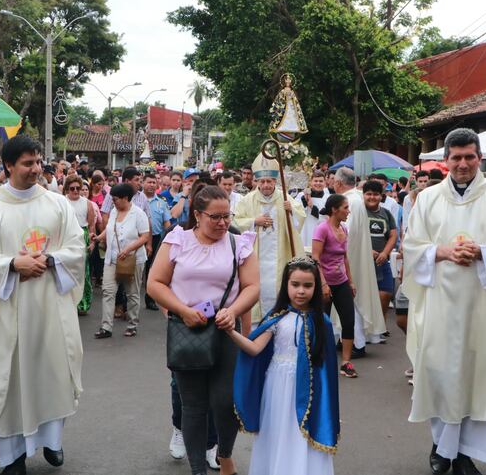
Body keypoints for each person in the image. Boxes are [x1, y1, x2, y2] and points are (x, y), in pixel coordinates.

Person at [402, 128, 486, 475]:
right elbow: (412, 247)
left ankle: (464, 454)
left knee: (477, 376)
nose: (462, 164)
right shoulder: (427, 199)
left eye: (469, 157)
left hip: (483, 308)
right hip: (439, 305)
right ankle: (442, 449)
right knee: (440, 374)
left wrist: (482, 253)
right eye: (456, 158)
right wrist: (442, 251)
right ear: (445, 161)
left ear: (479, 158)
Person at [0, 135, 85, 475]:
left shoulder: (57, 204)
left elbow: (76, 249)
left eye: (38, 162)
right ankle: (12, 458)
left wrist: (47, 260)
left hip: (50, 309)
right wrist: (11, 265)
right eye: (27, 163)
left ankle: (52, 442)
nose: (36, 169)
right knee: (10, 381)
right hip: (7, 312)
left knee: (52, 376)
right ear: (8, 166)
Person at [147, 185, 259, 475]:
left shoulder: (239, 244)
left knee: (225, 401)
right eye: (215, 217)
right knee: (193, 406)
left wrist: (233, 311)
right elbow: (155, 283)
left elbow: (252, 287)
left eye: (226, 216)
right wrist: (183, 311)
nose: (223, 223)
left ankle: (224, 455)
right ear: (197, 215)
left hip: (225, 331)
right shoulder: (177, 240)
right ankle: (197, 469)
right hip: (188, 332)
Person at [231, 257, 339, 475]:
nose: (301, 291)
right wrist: (229, 331)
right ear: (286, 286)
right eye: (295, 284)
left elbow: (326, 373)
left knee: (300, 436)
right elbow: (253, 349)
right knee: (278, 431)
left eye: (308, 286)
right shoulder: (276, 318)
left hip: (308, 390)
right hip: (277, 386)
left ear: (316, 287)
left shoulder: (323, 323)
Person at [234, 153, 305, 332]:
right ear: (257, 181)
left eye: (269, 181)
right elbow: (233, 223)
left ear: (275, 181)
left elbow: (299, 222)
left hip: (279, 259)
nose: (266, 185)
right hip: (255, 259)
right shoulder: (247, 200)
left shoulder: (286, 199)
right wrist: (253, 221)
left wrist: (291, 212)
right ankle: (256, 333)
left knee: (278, 293)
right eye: (262, 181)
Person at [332, 167, 387, 352]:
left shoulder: (350, 201)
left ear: (338, 183)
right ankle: (347, 338)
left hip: (350, 257)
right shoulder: (356, 198)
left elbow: (346, 231)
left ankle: (355, 342)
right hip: (355, 255)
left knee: (351, 300)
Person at [95, 183, 151, 339]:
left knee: (132, 293)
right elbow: (109, 229)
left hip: (133, 260)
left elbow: (145, 236)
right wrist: (99, 237)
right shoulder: (114, 211)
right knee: (108, 292)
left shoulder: (138, 214)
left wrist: (128, 249)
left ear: (125, 198)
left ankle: (133, 324)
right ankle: (106, 326)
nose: (113, 202)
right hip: (112, 259)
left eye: (115, 199)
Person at [311, 193, 358, 378]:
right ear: (334, 209)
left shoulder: (344, 229)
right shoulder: (322, 229)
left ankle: (346, 362)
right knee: (321, 323)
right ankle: (318, 360)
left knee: (349, 321)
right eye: (345, 207)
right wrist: (322, 284)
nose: (348, 211)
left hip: (342, 282)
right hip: (324, 283)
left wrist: (351, 281)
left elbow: (344, 257)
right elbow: (315, 258)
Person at [363, 180, 398, 326]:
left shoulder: (386, 213)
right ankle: (367, 327)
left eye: (376, 194)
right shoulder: (358, 211)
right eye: (368, 194)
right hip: (363, 261)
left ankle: (380, 327)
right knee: (364, 296)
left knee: (386, 293)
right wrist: (366, 250)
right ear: (363, 195)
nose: (372, 197)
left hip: (382, 260)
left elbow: (393, 235)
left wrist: (385, 252)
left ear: (381, 196)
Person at [62, 175, 96, 315]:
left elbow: (92, 225)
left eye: (78, 188)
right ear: (67, 189)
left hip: (83, 236)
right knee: (66, 271)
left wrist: (92, 242)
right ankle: (67, 303)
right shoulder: (62, 202)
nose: (76, 191)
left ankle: (83, 303)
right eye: (72, 188)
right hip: (67, 237)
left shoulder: (87, 203)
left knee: (83, 272)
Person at [143, 173, 170, 311]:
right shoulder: (136, 200)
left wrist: (169, 238)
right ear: (143, 183)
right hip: (138, 238)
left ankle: (150, 299)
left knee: (151, 270)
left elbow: (167, 223)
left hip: (155, 238)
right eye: (149, 182)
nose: (151, 185)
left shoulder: (162, 202)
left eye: (154, 182)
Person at [297, 171, 330, 250]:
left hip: (320, 234)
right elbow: (296, 213)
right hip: (305, 232)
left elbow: (327, 218)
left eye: (321, 181)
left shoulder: (328, 198)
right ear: (311, 182)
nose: (318, 183)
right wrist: (304, 201)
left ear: (325, 182)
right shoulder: (301, 196)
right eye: (315, 181)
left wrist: (312, 207)